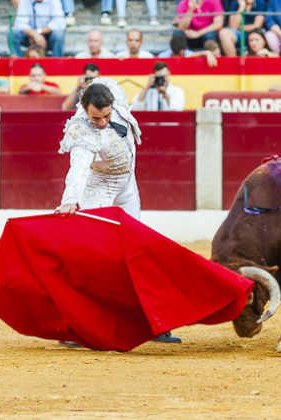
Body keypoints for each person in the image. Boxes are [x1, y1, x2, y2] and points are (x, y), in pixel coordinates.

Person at [56, 78, 182, 345]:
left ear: (112, 105)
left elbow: (104, 83)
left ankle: (151, 322)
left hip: (127, 189)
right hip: (97, 193)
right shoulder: (81, 130)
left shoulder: (115, 99)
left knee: (138, 253)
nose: (101, 122)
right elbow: (78, 167)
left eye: (105, 116)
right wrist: (71, 199)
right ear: (83, 107)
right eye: (95, 117)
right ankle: (76, 326)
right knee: (95, 260)